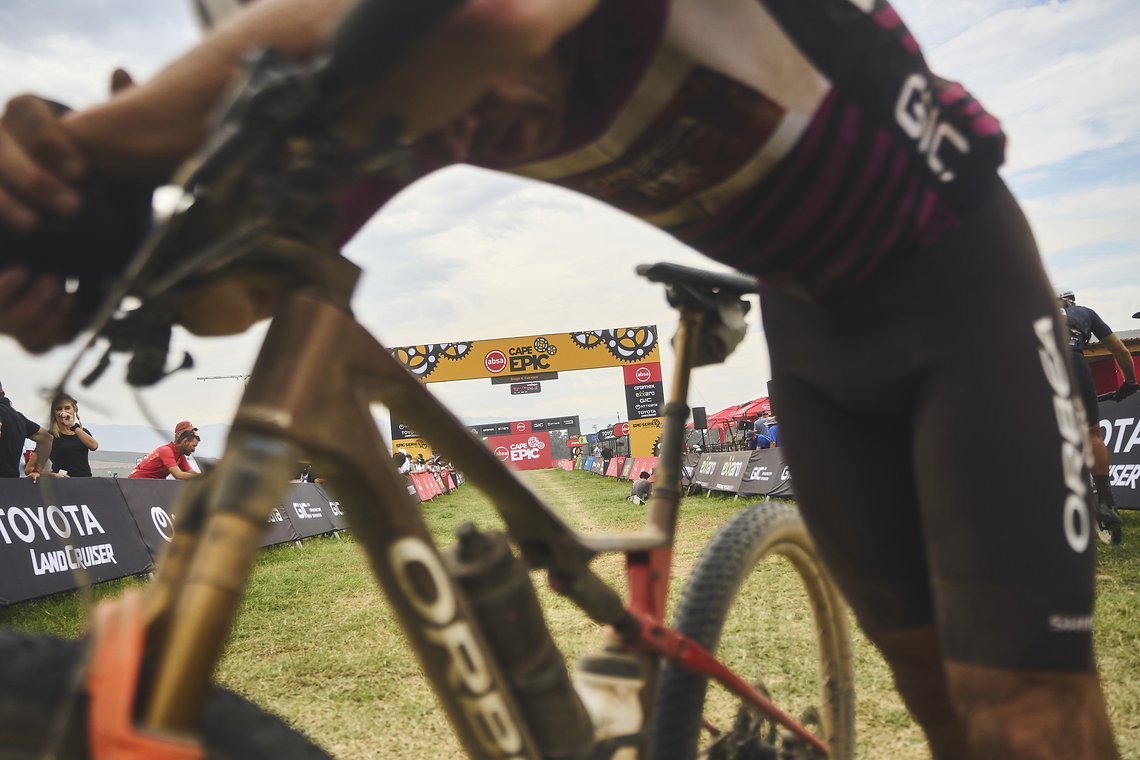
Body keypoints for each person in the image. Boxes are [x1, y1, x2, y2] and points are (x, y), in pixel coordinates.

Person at [0, 0, 1121, 755]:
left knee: (1021, 717)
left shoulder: (454, 29)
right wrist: (87, 234)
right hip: (815, 331)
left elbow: (492, 18)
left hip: (959, 278)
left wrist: (102, 139)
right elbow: (232, 291)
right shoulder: (414, 83)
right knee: (936, 697)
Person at [1057, 287, 1139, 539]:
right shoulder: (1085, 313)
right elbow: (1122, 352)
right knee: (1094, 434)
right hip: (1075, 363)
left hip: (1039, 364)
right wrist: (1130, 382)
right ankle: (1105, 499)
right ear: (1072, 300)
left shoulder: (1031, 311)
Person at [0, 380, 52, 482]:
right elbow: (46, 438)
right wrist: (38, 470)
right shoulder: (18, 417)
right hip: (11, 486)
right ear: (3, 394)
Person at [44, 392, 99, 477]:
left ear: (74, 410)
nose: (63, 412)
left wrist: (72, 426)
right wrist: (52, 475)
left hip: (84, 480)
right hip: (61, 482)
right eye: (59, 409)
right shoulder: (50, 435)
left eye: (67, 408)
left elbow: (94, 446)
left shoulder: (82, 432)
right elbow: (30, 468)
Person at [129, 421, 201, 480]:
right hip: (137, 483)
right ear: (182, 437)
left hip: (152, 484)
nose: (194, 450)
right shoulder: (166, 450)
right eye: (189, 433)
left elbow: (192, 473)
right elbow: (179, 475)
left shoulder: (180, 455)